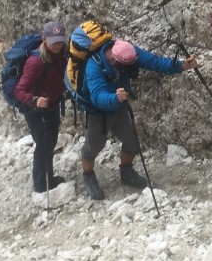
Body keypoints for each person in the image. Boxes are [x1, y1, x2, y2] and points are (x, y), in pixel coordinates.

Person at [79, 38, 197, 200]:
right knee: (94, 146)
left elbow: (154, 62)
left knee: (132, 141)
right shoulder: (94, 66)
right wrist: (114, 98)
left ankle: (126, 172)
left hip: (119, 105)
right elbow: (97, 96)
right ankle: (88, 176)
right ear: (114, 60)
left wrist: (181, 65)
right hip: (97, 112)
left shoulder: (127, 52)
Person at [11, 20, 69, 193]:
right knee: (43, 144)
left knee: (50, 142)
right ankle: (41, 184)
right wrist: (35, 100)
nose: (57, 45)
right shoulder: (35, 62)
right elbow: (19, 90)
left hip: (52, 105)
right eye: (54, 42)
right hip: (36, 110)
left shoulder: (61, 54)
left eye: (60, 41)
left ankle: (47, 178)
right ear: (44, 40)